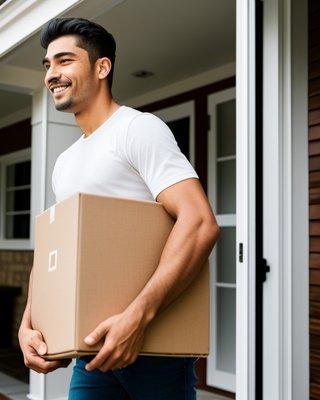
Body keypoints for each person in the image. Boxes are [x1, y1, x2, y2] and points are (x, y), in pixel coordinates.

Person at [18, 17, 220, 399]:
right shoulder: (65, 162)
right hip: (92, 352)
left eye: (64, 61)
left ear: (102, 67)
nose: (52, 74)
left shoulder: (137, 129)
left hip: (154, 352)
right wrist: (29, 323)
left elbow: (199, 222)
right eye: (47, 65)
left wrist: (137, 318)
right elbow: (52, 253)